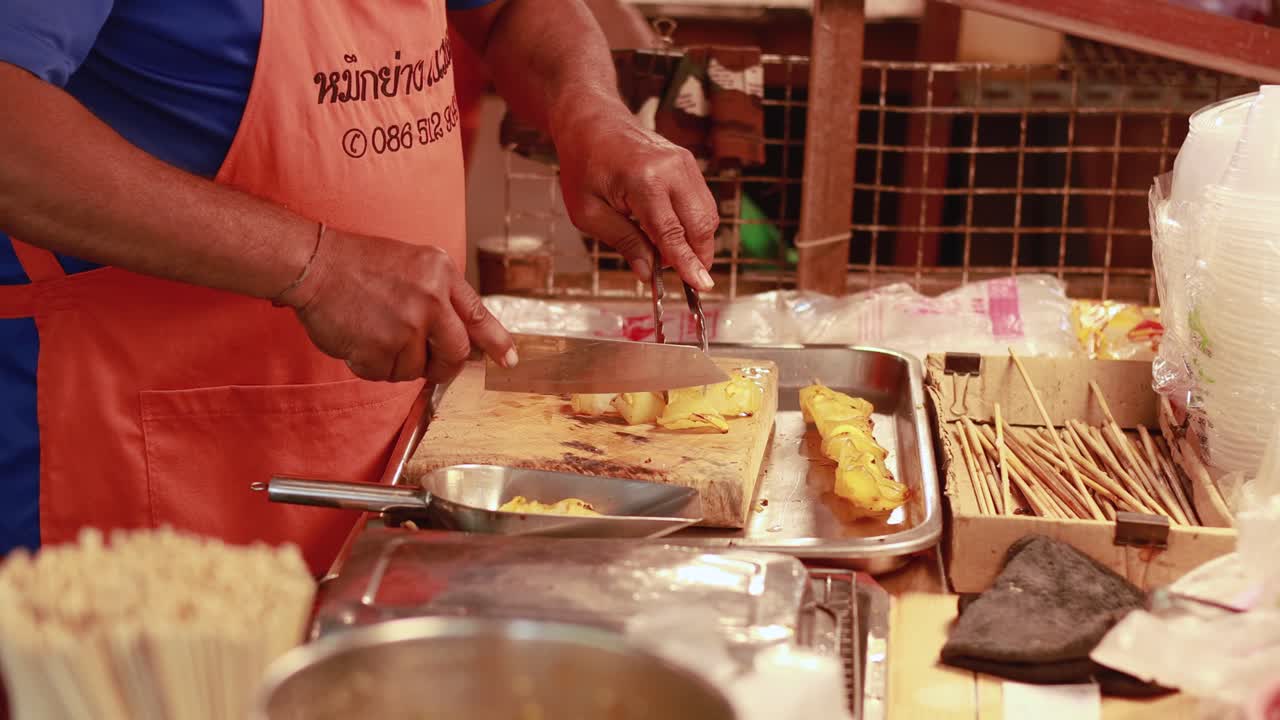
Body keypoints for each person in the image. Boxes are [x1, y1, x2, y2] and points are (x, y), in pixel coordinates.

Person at [0, 0, 719, 576]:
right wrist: (315, 264)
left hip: (383, 460)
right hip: (139, 465)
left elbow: (506, 13)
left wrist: (586, 106)